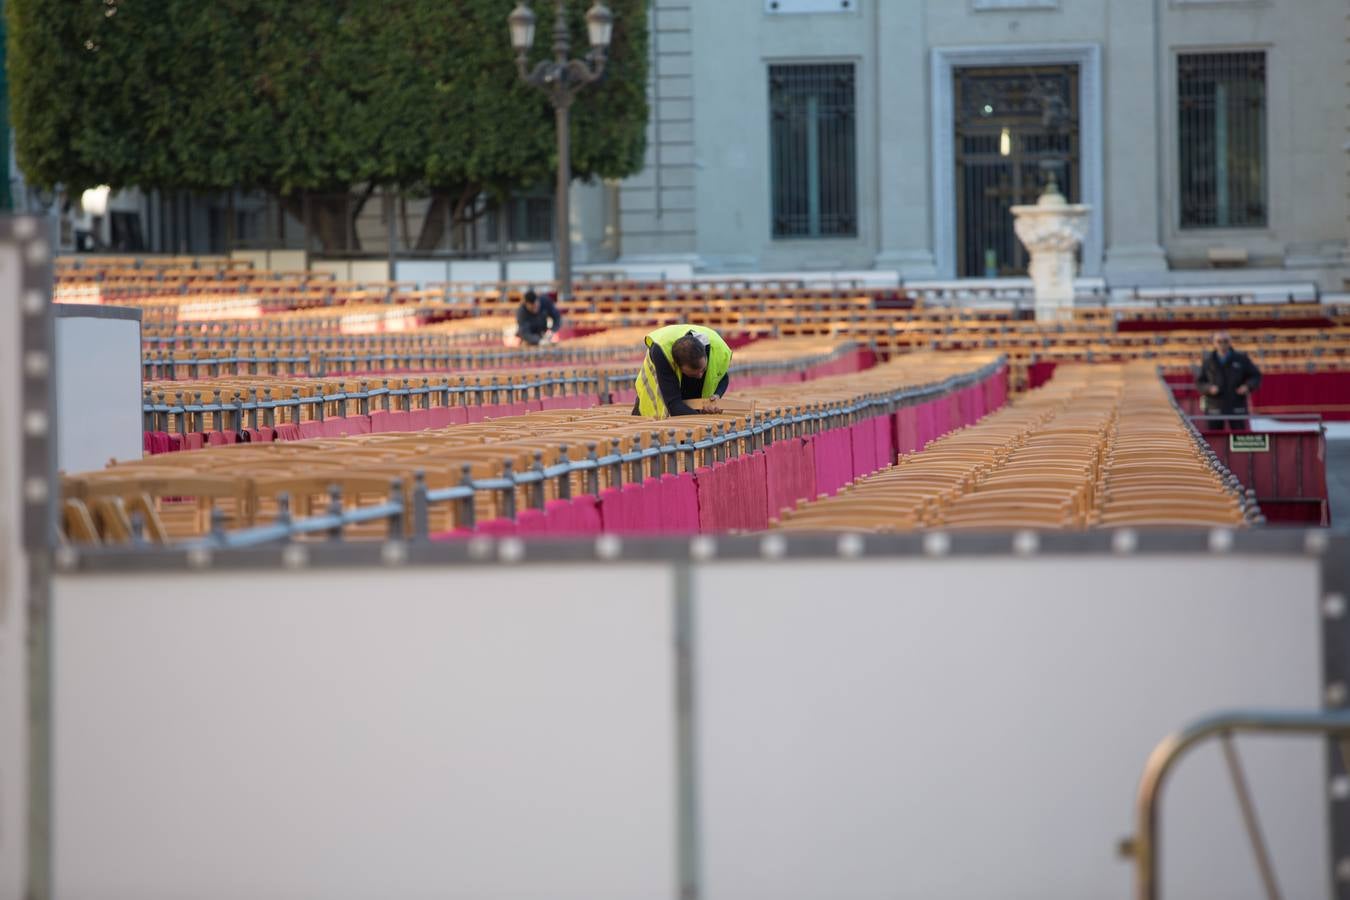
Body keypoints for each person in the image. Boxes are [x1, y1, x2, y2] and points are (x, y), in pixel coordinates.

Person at [632, 324, 732, 418]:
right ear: (677, 365)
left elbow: (723, 376)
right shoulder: (662, 352)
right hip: (652, 409)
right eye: (693, 374)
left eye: (703, 370)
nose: (700, 376)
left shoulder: (719, 350)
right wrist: (703, 421)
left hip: (692, 404)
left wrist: (717, 395)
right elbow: (674, 405)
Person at [1196, 330, 1261, 431]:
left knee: (1240, 438)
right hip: (1215, 405)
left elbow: (1256, 376)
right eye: (1219, 341)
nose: (1222, 344)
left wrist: (1247, 386)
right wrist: (1209, 388)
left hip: (1236, 403)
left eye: (1225, 341)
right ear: (1214, 342)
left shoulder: (1241, 358)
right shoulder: (1208, 361)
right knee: (1215, 439)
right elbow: (1200, 382)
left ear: (1230, 342)